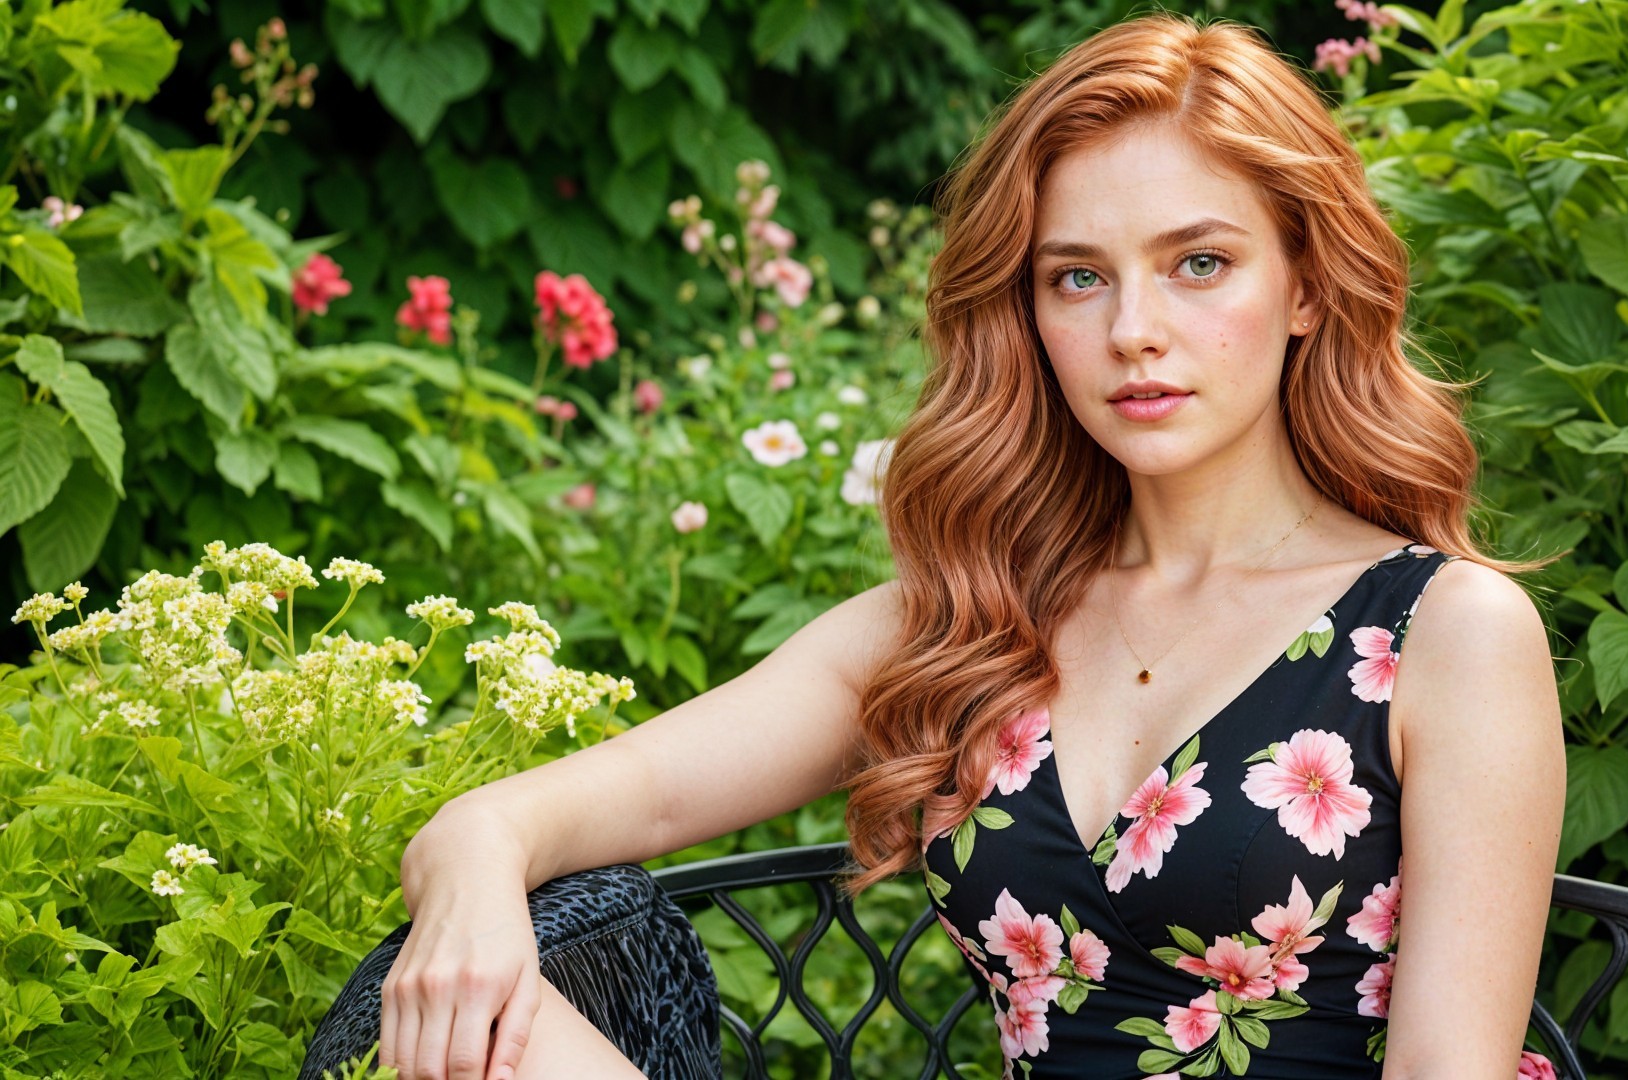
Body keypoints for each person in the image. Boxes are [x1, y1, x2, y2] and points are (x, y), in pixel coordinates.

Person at [379, 12, 1565, 1080]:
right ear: (1029, 310)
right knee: (494, 1036)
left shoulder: (1442, 635)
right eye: (1078, 278)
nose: (1134, 331)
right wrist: (479, 859)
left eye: (1199, 263)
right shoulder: (972, 618)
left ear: (1305, 286)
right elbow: (586, 806)